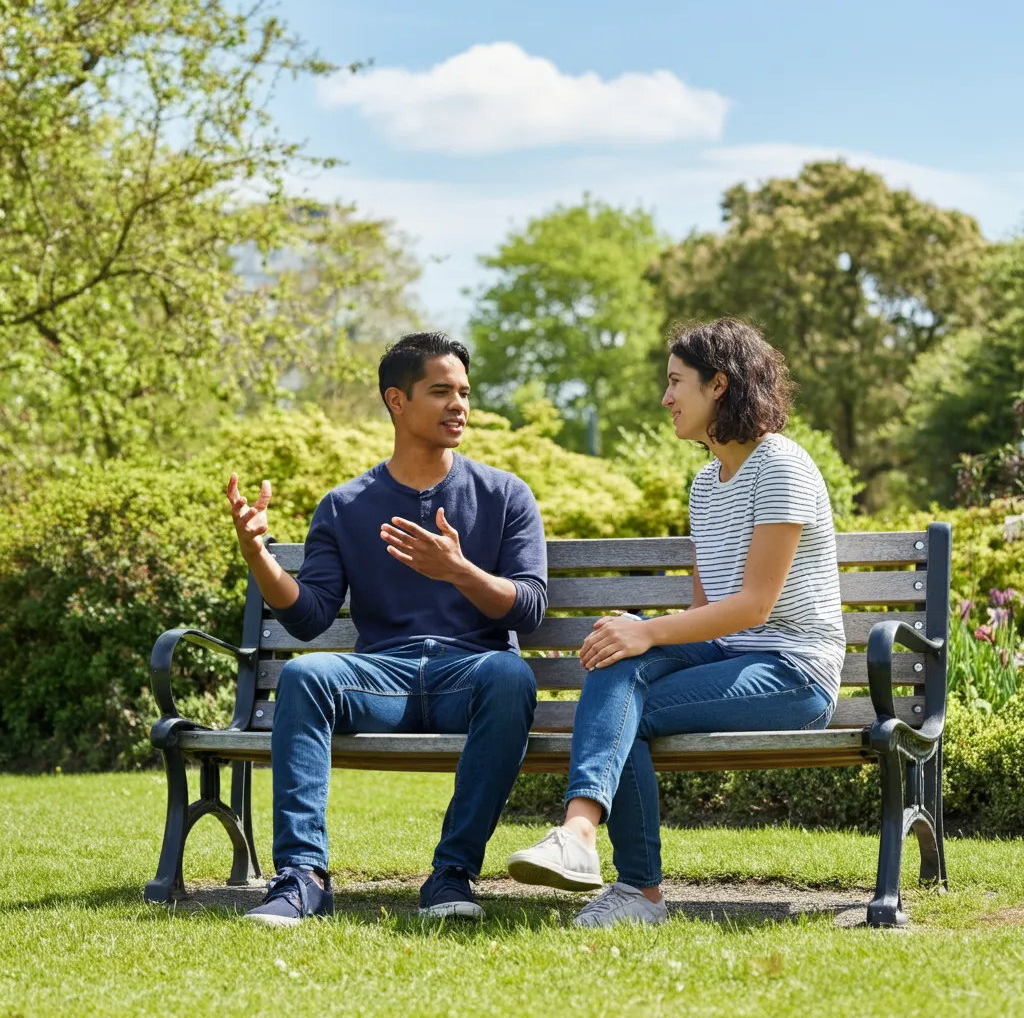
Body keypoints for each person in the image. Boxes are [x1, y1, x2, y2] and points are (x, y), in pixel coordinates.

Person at [507, 318, 845, 927]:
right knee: (619, 654)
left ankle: (637, 889)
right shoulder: (704, 485)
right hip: (731, 655)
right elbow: (705, 613)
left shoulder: (782, 466)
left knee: (628, 698)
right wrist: (635, 630)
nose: (665, 398)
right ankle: (580, 841)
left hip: (795, 671)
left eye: (675, 382)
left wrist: (650, 629)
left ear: (719, 384)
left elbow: (754, 606)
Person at [227, 332, 547, 926]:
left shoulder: (505, 495)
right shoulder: (346, 505)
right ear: (396, 401)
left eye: (465, 393)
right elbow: (309, 615)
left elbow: (528, 609)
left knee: (510, 674)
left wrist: (460, 572)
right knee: (305, 675)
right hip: (384, 679)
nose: (459, 406)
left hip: (471, 674)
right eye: (441, 392)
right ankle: (302, 878)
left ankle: (452, 876)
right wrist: (261, 557)